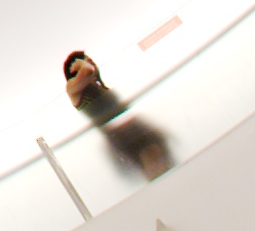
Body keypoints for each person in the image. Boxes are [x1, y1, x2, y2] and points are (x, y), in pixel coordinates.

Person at [63, 49, 173, 181]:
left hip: (130, 127)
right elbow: (88, 70)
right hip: (120, 135)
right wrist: (82, 64)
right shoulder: (73, 88)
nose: (92, 63)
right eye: (87, 60)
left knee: (159, 156)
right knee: (150, 161)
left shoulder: (98, 85)